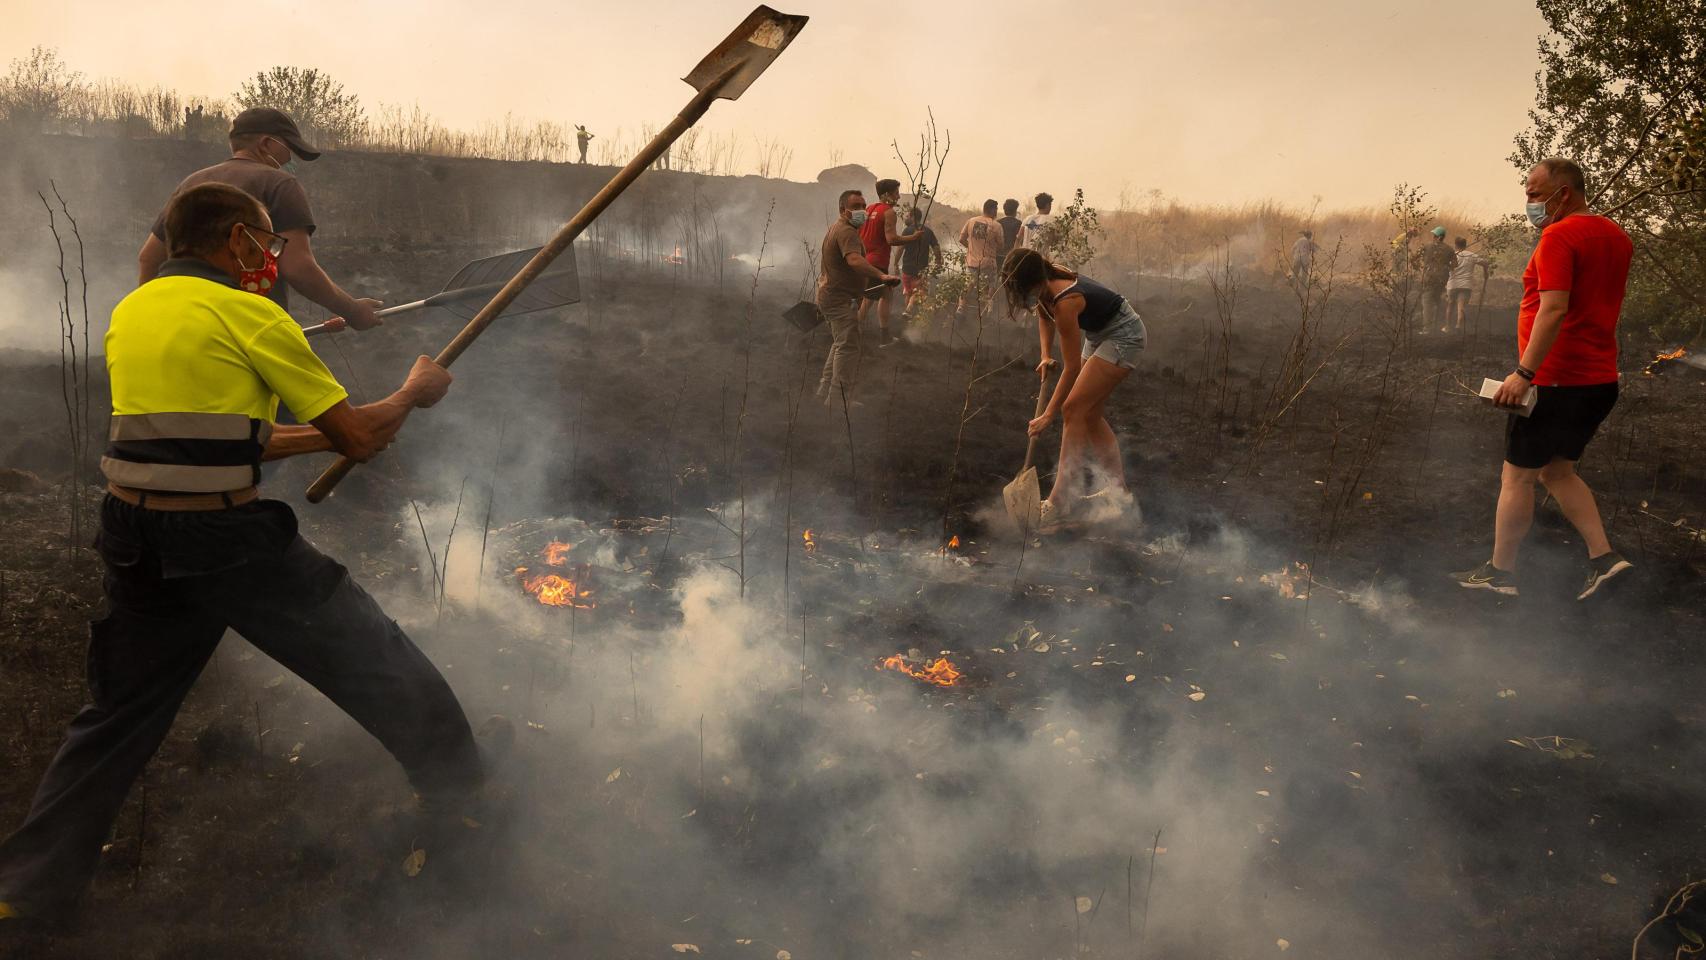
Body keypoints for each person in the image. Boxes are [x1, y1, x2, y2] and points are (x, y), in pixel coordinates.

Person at [0, 183, 490, 927]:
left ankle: (23, 895)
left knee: (115, 718)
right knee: (380, 660)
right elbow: (359, 438)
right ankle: (470, 807)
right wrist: (412, 392)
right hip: (227, 543)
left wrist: (308, 401)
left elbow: (227, 437)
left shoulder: (135, 310)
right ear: (236, 240)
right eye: (268, 242)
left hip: (133, 534)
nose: (273, 257)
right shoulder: (252, 313)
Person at [1452, 157, 1633, 600]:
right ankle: (1605, 560)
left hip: (1553, 381)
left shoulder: (1558, 235)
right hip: (1598, 379)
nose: (1529, 203)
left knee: (1517, 478)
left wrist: (1523, 374)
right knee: (1559, 472)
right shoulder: (1616, 235)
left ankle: (1501, 573)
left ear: (1563, 192)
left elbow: (1554, 308)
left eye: (1534, 193)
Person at [137, 108, 381, 332]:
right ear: (266, 144)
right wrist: (352, 310)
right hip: (252, 329)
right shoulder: (279, 184)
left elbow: (149, 257)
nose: (290, 159)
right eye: (288, 149)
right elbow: (297, 267)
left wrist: (150, 317)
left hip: (187, 325)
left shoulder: (191, 183)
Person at [1001, 246, 1147, 529]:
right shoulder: (1044, 284)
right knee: (1088, 414)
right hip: (1100, 332)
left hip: (1124, 336)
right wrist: (1045, 354)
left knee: (1073, 409)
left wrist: (1048, 415)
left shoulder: (1066, 302)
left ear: (1033, 282)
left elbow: (1072, 369)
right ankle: (1120, 494)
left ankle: (1059, 501)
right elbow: (1044, 315)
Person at [817, 189, 898, 404]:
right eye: (855, 207)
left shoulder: (839, 227)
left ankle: (825, 389)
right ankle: (837, 399)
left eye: (863, 206)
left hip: (835, 295)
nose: (861, 210)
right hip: (837, 299)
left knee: (840, 343)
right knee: (848, 346)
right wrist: (880, 274)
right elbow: (854, 260)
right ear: (843, 210)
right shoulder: (847, 232)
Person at [856, 178, 921, 347]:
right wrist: (912, 237)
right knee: (881, 296)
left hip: (864, 260)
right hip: (877, 262)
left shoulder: (868, 209)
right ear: (887, 194)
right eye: (896, 193)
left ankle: (860, 331)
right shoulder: (888, 212)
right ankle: (875, 336)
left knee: (872, 297)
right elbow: (891, 239)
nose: (898, 197)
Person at [957, 199, 1006, 318]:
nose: (996, 212)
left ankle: (960, 308)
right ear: (992, 210)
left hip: (972, 262)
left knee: (969, 284)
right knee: (989, 285)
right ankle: (987, 310)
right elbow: (1001, 245)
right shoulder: (996, 225)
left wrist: (971, 249)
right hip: (989, 263)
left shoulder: (971, 221)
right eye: (996, 209)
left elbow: (961, 239)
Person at [899, 205, 941, 319]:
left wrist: (895, 262)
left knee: (908, 292)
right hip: (921, 268)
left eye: (908, 216)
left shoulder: (907, 230)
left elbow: (900, 248)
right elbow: (936, 247)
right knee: (919, 291)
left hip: (907, 268)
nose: (906, 218)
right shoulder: (927, 231)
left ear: (913, 217)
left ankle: (907, 315)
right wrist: (938, 260)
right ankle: (909, 310)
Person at [1445, 236, 1489, 333]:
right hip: (1466, 284)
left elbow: (1444, 266)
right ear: (1465, 245)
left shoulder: (1452, 255)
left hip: (1452, 284)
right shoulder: (1471, 255)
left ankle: (1447, 327)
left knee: (1450, 304)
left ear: (1455, 245)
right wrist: (1485, 273)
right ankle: (1458, 326)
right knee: (1461, 306)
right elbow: (1485, 263)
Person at [1419, 225, 1455, 333]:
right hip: (1442, 279)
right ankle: (1437, 326)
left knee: (1427, 303)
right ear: (1443, 237)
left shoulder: (1427, 247)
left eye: (1433, 235)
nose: (1432, 236)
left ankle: (1427, 329)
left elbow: (1416, 258)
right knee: (1439, 301)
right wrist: (1446, 265)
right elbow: (1454, 265)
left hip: (1429, 278)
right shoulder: (1450, 249)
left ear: (1436, 236)